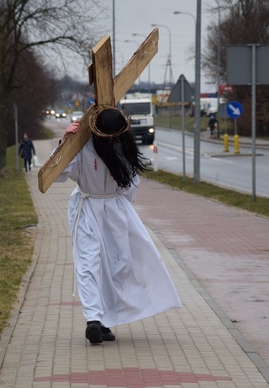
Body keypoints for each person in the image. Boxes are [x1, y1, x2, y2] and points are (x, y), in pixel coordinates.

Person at [55, 105, 182, 345]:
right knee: (89, 263)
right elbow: (60, 174)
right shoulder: (82, 145)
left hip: (115, 211)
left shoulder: (125, 148)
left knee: (117, 265)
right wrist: (65, 143)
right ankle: (93, 319)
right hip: (88, 209)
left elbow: (131, 182)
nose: (112, 141)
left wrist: (120, 207)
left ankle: (104, 320)